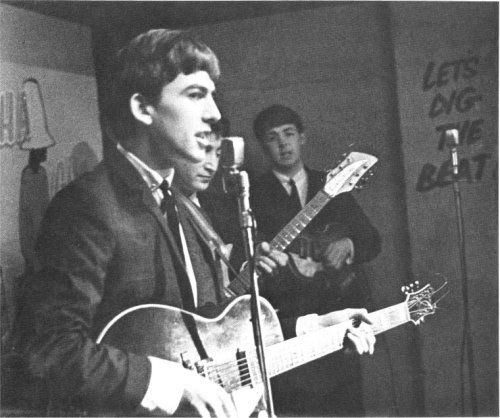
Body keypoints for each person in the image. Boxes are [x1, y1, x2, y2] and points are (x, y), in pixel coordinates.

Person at [15, 30, 376, 417]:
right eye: (195, 95)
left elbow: (212, 333)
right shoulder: (87, 205)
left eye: (212, 95)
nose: (214, 113)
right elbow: (47, 349)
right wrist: (167, 383)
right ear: (143, 108)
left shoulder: (183, 207)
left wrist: (313, 328)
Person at [250, 104, 382, 417]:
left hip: (339, 318)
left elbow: (372, 241)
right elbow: (241, 258)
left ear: (302, 138)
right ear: (263, 146)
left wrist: (348, 245)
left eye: (289, 134)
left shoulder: (334, 184)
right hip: (288, 326)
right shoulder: (252, 194)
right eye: (272, 138)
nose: (283, 143)